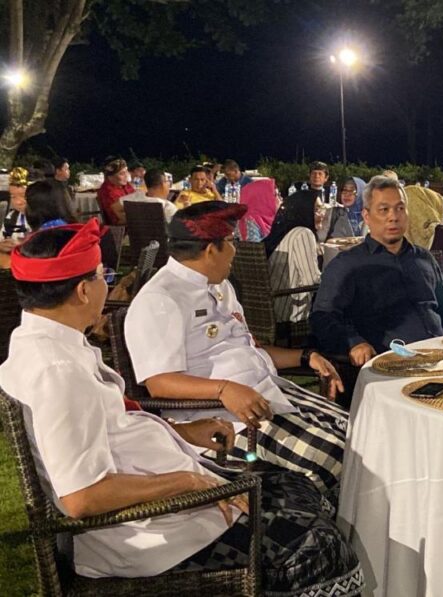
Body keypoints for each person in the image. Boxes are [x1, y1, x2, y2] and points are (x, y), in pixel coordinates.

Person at [0, 221, 364, 593]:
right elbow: (82, 497)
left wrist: (184, 432)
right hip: (146, 533)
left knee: (296, 487)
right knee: (316, 547)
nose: (107, 286)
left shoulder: (43, 343)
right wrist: (186, 482)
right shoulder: (57, 372)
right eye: (101, 276)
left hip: (163, 494)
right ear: (82, 290)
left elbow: (109, 424)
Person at [125, 202, 350, 498]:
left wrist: (306, 356)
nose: (235, 250)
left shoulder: (219, 285)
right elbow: (159, 383)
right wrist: (224, 390)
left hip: (266, 391)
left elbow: (249, 348)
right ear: (211, 250)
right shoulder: (161, 299)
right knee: (337, 461)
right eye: (232, 242)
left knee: (357, 434)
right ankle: (333, 523)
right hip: (221, 419)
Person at [311, 176, 443, 370]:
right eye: (384, 210)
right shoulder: (348, 265)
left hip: (442, 357)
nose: (393, 217)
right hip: (389, 363)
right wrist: (354, 342)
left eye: (400, 208)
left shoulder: (423, 258)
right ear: (366, 216)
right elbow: (322, 316)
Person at [263, 190, 323, 322]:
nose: (322, 214)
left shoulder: (283, 232)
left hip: (270, 310)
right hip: (291, 315)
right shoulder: (303, 234)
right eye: (317, 210)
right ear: (304, 211)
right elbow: (312, 281)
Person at [96, 157, 134, 225]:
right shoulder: (108, 191)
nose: (126, 176)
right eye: (122, 173)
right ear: (110, 177)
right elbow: (119, 217)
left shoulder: (124, 185)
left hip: (132, 218)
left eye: (126, 171)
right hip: (121, 225)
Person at [2, 166, 30, 239]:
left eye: (23, 196)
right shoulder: (11, 217)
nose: (18, 202)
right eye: (13, 197)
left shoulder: (47, 220)